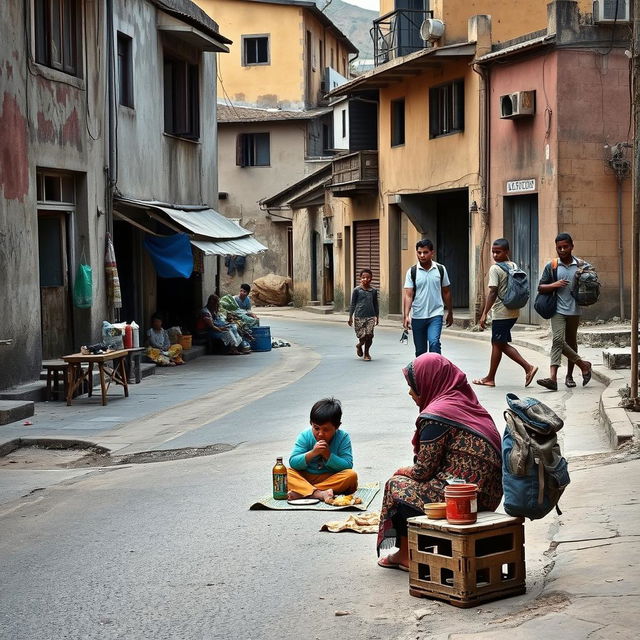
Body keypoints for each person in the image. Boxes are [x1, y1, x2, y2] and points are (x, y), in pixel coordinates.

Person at [377, 354, 502, 571]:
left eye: (413, 386)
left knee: (396, 485)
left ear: (429, 381)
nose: (410, 392)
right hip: (488, 495)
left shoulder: (437, 415)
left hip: (463, 499)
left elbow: (423, 470)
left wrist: (402, 471)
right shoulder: (466, 403)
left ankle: (405, 555)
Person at [473, 238, 538, 387]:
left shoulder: (495, 269)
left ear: (506, 252)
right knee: (498, 343)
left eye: (498, 252)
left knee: (498, 344)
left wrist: (484, 313)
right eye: (493, 252)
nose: (495, 255)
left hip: (501, 313)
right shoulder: (513, 265)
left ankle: (527, 367)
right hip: (513, 311)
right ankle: (491, 377)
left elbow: (492, 293)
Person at [536, 233, 592, 391]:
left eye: (565, 247)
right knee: (558, 340)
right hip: (557, 310)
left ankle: (570, 376)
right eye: (559, 247)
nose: (562, 250)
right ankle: (555, 377)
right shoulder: (552, 265)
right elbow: (540, 287)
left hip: (574, 310)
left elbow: (592, 284)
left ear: (572, 246)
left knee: (572, 342)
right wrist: (555, 284)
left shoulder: (582, 265)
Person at [287, 398, 358, 504]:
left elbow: (347, 465)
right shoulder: (305, 436)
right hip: (306, 477)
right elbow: (293, 462)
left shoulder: (343, 437)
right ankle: (319, 494)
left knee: (351, 476)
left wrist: (328, 455)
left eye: (326, 430)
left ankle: (304, 493)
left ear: (337, 426)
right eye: (316, 428)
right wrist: (312, 453)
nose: (320, 434)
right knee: (285, 473)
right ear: (311, 423)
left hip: (331, 478)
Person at [403, 239, 453, 357]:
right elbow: (408, 295)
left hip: (436, 314)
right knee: (420, 351)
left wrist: (450, 312)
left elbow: (446, 292)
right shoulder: (412, 272)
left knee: (434, 343)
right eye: (419, 252)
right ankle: (423, 375)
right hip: (418, 315)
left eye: (425, 252)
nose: (422, 255)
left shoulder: (440, 269)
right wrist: (406, 315)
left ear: (432, 253)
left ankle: (437, 373)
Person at [348, 268, 379, 361]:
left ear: (371, 278)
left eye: (368, 277)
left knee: (369, 335)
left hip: (370, 316)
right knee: (363, 336)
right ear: (360, 278)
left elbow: (375, 304)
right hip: (359, 316)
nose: (366, 279)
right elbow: (353, 304)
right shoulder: (357, 290)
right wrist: (350, 317)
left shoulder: (373, 291)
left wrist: (377, 316)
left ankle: (366, 353)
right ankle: (359, 345)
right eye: (363, 277)